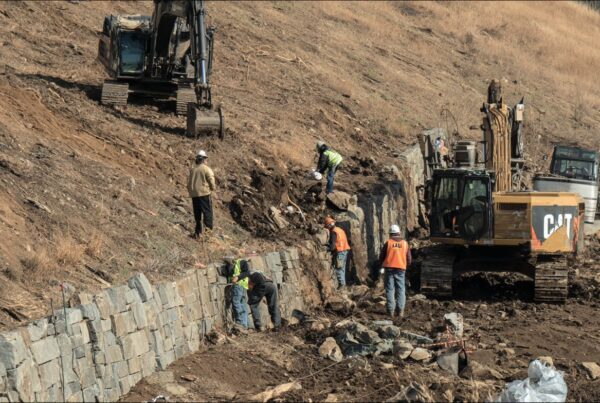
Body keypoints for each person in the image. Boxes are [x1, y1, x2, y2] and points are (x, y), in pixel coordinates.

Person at [378, 224, 412, 319]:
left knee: (390, 289)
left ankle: (390, 312)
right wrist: (407, 265)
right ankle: (400, 311)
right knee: (401, 289)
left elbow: (382, 256)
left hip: (389, 268)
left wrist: (381, 265)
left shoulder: (388, 243)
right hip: (401, 269)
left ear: (390, 234)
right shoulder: (405, 243)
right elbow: (409, 258)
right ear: (399, 233)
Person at [187, 150, 215, 238]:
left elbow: (188, 183)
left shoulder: (193, 169)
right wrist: (212, 188)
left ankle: (197, 233)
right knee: (207, 214)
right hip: (204, 194)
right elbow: (211, 179)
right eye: (206, 159)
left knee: (197, 214)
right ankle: (208, 235)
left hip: (194, 195)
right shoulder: (206, 169)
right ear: (203, 159)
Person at [223, 254, 249, 330]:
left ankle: (240, 322)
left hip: (239, 285)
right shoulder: (229, 265)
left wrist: (238, 277)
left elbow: (247, 272)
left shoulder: (241, 262)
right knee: (242, 304)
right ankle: (245, 324)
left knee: (236, 302)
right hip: (240, 285)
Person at [324, 216, 351, 289]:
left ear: (329, 225)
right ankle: (343, 284)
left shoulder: (333, 232)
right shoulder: (339, 230)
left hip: (340, 252)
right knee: (342, 268)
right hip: (345, 250)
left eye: (327, 226)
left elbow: (332, 246)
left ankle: (342, 285)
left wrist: (328, 248)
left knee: (339, 269)